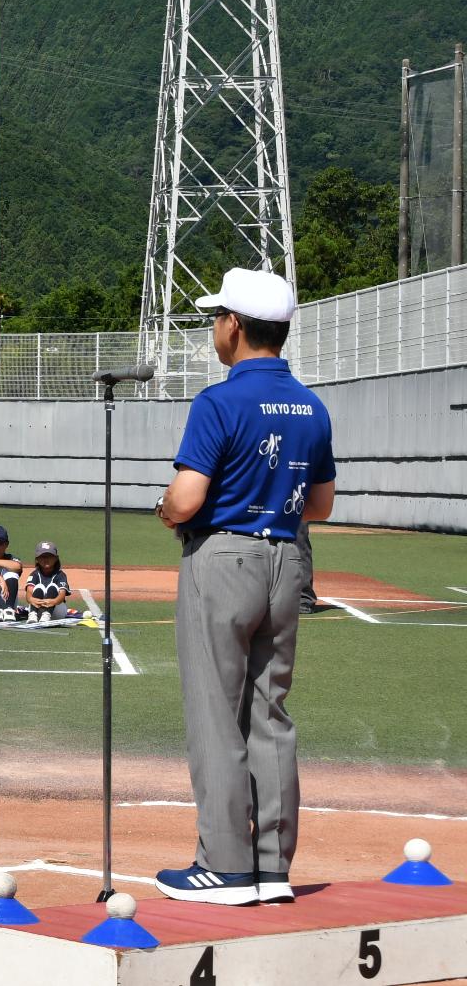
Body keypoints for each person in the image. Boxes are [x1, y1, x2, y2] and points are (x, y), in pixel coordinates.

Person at [154, 267, 333, 907]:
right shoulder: (311, 404)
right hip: (286, 558)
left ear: (233, 325)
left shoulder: (219, 401)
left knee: (215, 712)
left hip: (224, 558)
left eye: (215, 318)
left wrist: (168, 510)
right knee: (270, 713)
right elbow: (321, 505)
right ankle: (271, 866)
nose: (213, 328)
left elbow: (186, 496)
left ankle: (224, 866)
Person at [22, 542, 81, 623]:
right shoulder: (34, 574)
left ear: (56, 558)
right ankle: (32, 615)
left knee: (52, 587)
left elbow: (61, 595)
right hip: (38, 610)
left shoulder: (61, 575)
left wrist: (53, 601)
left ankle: (46, 615)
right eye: (42, 557)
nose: (46, 559)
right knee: (39, 587)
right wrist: (32, 600)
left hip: (57, 612)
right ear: (37, 559)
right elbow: (29, 594)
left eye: (49, 556)